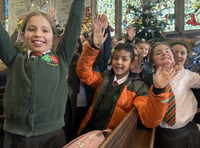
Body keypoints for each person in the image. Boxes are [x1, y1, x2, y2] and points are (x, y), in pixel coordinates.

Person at [0, 0, 85, 147]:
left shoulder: (60, 59)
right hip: (15, 138)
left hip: (51, 138)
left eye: (45, 30)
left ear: (53, 36)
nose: (38, 34)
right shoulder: (15, 59)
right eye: (31, 29)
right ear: (22, 34)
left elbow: (74, 26)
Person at [76, 14, 177, 136]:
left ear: (131, 63)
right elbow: (84, 73)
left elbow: (149, 120)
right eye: (116, 58)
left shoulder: (138, 87)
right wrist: (94, 47)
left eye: (124, 59)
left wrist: (159, 90)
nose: (118, 62)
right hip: (88, 131)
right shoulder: (104, 78)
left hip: (112, 138)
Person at [143, 42, 200, 148]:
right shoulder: (148, 80)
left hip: (186, 130)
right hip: (161, 133)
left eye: (167, 51)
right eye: (158, 53)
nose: (164, 53)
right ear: (152, 62)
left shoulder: (187, 76)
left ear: (173, 58)